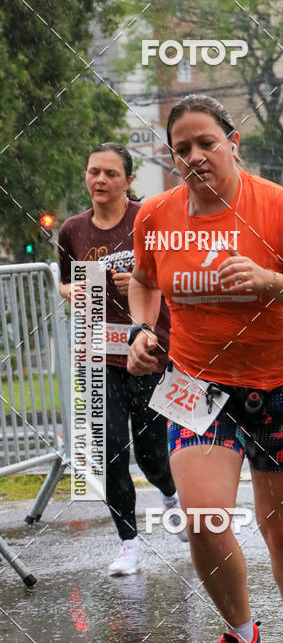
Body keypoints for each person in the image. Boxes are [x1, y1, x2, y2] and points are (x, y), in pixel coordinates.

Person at [127, 94, 283, 643]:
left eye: (205, 144)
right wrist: (145, 331)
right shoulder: (157, 218)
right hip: (196, 383)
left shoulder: (276, 206)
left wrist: (270, 280)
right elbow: (144, 283)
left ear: (232, 141)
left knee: (282, 530)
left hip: (281, 384)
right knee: (202, 516)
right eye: (181, 149)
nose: (194, 157)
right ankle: (242, 635)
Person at [58, 143, 182, 576]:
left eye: (111, 173)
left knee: (151, 453)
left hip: (146, 350)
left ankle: (170, 495)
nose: (100, 180)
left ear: (128, 180)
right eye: (94, 172)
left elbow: (174, 272)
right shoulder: (73, 230)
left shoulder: (149, 218)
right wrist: (71, 291)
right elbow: (63, 281)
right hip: (96, 355)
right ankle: (128, 543)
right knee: (109, 452)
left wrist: (145, 280)